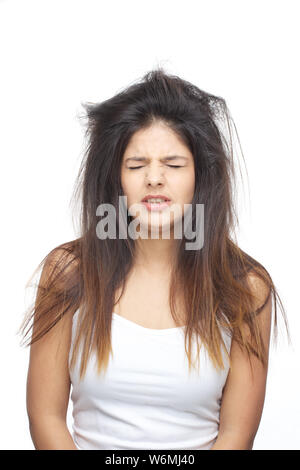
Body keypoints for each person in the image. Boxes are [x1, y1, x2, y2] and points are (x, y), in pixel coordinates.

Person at [19, 68, 289, 450]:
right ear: (115, 178)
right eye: (136, 165)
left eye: (174, 165)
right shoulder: (67, 272)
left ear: (201, 177)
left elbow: (236, 435)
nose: (155, 179)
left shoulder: (245, 287)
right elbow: (45, 418)